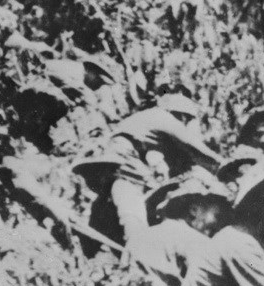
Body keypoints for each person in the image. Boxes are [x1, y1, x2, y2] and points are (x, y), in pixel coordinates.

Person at [73, 93, 223, 257]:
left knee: (111, 206)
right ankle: (138, 252)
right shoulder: (164, 118)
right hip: (125, 162)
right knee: (133, 211)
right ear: (181, 115)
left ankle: (92, 247)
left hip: (112, 161)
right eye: (186, 120)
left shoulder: (145, 117)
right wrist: (222, 165)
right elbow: (193, 146)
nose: (185, 124)